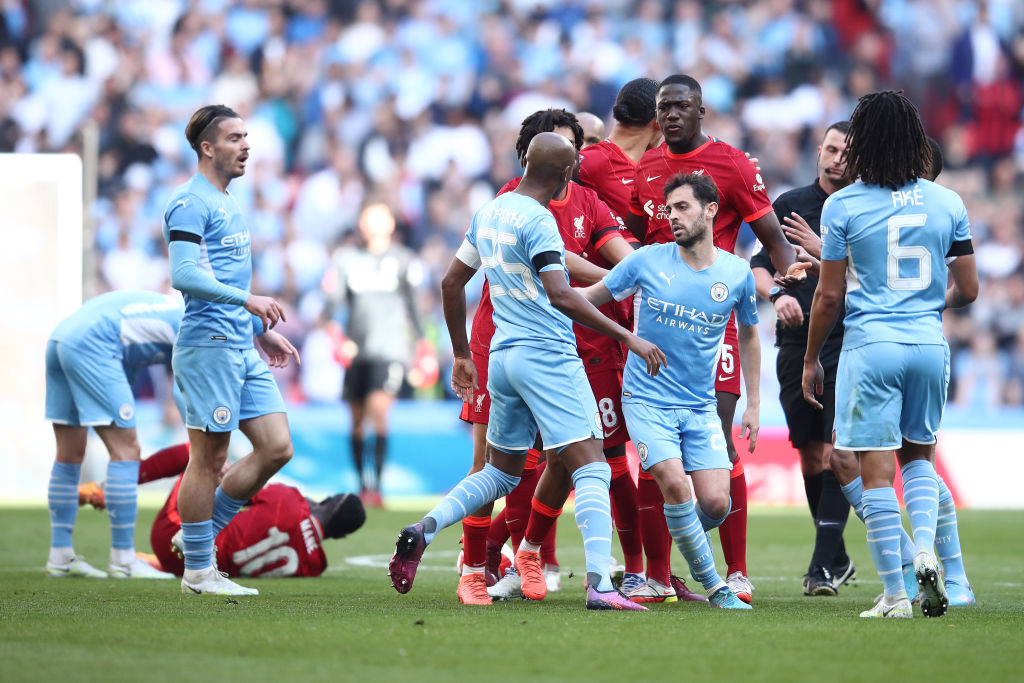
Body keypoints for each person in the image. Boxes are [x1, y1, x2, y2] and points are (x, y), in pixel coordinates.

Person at [388, 132, 666, 611]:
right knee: (593, 466)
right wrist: (628, 336)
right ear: (565, 174)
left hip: (502, 357)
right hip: (548, 354)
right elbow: (560, 294)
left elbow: (452, 282)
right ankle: (600, 586)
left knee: (499, 473)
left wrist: (461, 354)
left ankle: (424, 528)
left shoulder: (490, 211)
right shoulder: (540, 220)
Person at [623, 74, 803, 603]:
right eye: (664, 108)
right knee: (655, 454)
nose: (672, 115)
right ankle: (658, 574)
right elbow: (631, 240)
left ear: (701, 109)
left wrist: (787, 285)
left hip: (713, 323)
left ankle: (736, 569)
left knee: (719, 442)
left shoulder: (733, 164)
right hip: (656, 324)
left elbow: (772, 239)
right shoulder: (647, 168)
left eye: (682, 105)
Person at [802, 90, 979, 619]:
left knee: (876, 472)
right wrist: (926, 306)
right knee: (920, 457)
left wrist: (812, 359)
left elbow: (828, 296)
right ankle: (925, 548)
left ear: (864, 141)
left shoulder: (844, 204)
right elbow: (969, 289)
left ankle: (897, 595)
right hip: (928, 344)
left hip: (871, 346)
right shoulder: (947, 202)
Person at [483, 109, 642, 604]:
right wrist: (617, 288)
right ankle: (497, 559)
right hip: (529, 343)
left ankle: (623, 569)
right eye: (574, 146)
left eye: (587, 142)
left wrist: (650, 273)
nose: (583, 155)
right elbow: (562, 278)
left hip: (586, 349)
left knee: (592, 459)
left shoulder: (589, 202)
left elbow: (618, 253)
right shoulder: (516, 201)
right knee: (516, 465)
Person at [579, 172, 759, 609]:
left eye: (682, 207)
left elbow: (750, 335)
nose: (672, 216)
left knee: (715, 504)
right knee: (675, 485)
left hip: (699, 405)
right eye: (669, 209)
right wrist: (543, 298)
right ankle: (716, 588)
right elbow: (587, 298)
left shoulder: (737, 273)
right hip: (646, 400)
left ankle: (682, 543)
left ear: (710, 211)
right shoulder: (646, 261)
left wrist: (753, 401)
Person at [164, 104, 301, 596]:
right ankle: (199, 573)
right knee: (208, 458)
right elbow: (183, 274)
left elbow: (225, 273)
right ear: (207, 148)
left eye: (246, 137)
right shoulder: (190, 201)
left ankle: (197, 538)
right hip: (208, 347)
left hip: (241, 343)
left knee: (276, 447)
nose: (246, 146)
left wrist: (258, 328)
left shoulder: (227, 200)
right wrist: (247, 301)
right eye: (235, 138)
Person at [750, 121, 856, 596]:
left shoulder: (866, 207)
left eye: (847, 153)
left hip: (850, 341)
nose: (837, 159)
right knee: (811, 455)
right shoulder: (791, 205)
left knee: (836, 452)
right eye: (831, 149)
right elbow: (758, 265)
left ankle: (820, 568)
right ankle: (837, 556)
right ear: (818, 151)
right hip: (796, 343)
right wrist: (777, 295)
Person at [44, 290, 184, 580]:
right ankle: (123, 560)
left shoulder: (170, 307)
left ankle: (60, 556)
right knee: (126, 450)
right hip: (93, 342)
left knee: (69, 453)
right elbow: (187, 387)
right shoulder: (195, 324)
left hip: (61, 337)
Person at [78, 443, 365, 577]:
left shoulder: (290, 500)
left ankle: (115, 485)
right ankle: (159, 563)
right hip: (200, 567)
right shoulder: (315, 566)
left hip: (181, 544)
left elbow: (237, 490)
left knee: (201, 455)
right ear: (339, 536)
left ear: (326, 501)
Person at [323, 202, 428, 506]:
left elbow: (415, 307)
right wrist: (336, 337)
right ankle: (362, 483)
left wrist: (423, 347)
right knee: (356, 421)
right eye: (368, 220)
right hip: (357, 350)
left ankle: (377, 486)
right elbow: (331, 305)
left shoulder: (403, 259)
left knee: (379, 413)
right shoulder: (346, 259)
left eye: (378, 219)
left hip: (391, 349)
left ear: (391, 225)